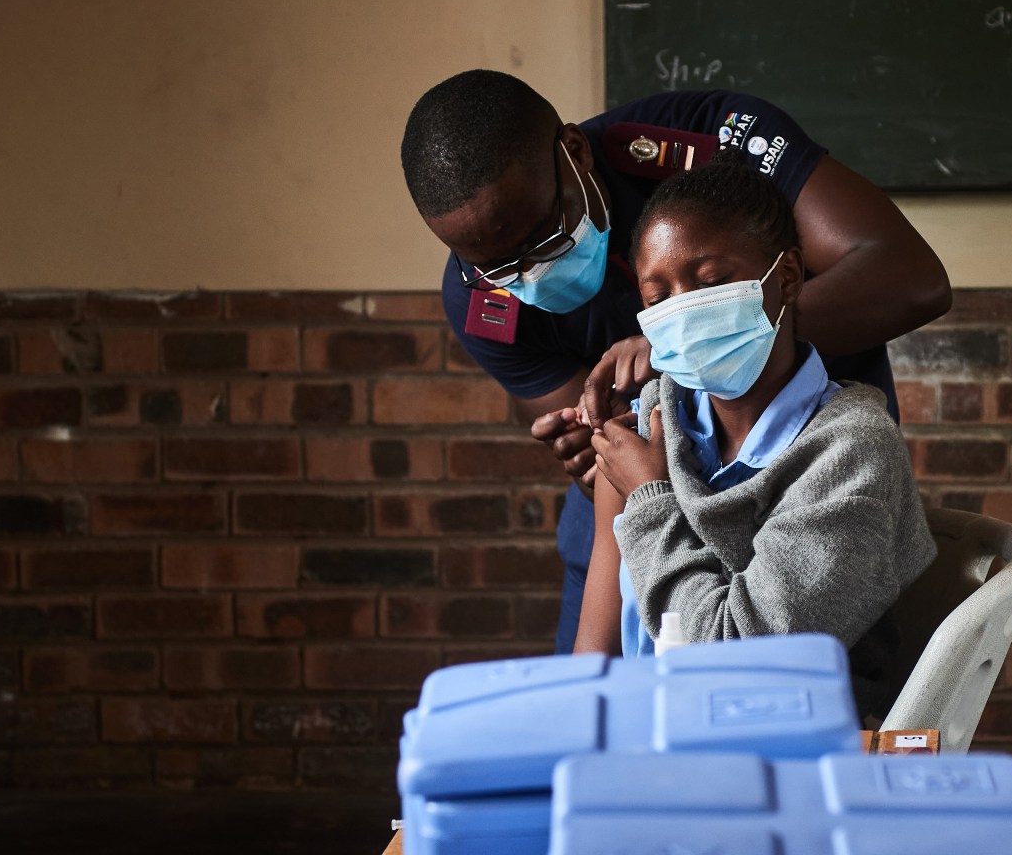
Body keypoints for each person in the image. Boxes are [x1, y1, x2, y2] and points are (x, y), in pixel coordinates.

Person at [400, 70, 950, 653]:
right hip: (653, 499)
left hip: (800, 478)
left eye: (543, 235)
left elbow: (911, 276)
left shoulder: (712, 142)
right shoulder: (479, 299)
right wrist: (605, 462)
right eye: (656, 299)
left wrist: (703, 340)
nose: (528, 271)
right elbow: (617, 477)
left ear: (576, 153)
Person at [580, 149, 936, 716]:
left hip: (786, 745)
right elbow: (595, 655)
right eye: (658, 298)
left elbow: (736, 663)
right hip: (649, 737)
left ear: (787, 277)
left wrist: (649, 499)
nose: (683, 312)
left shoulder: (851, 450)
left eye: (711, 282)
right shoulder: (652, 419)